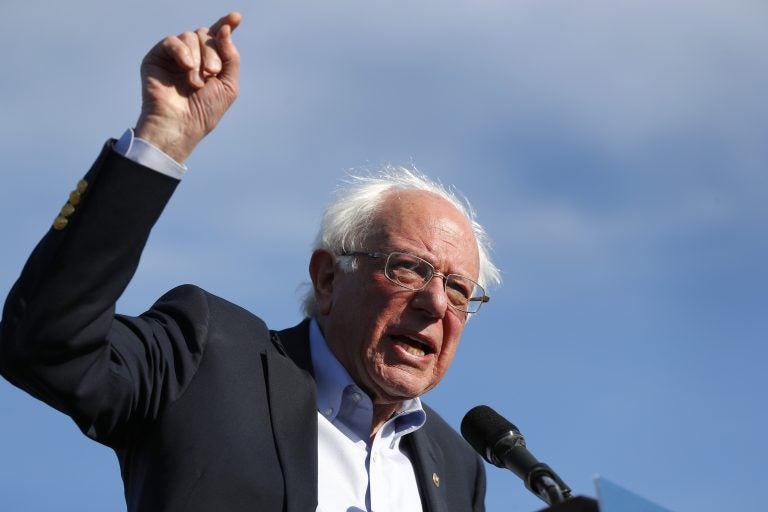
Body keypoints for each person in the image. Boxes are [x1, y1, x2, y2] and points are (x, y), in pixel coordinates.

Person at [0, 12, 500, 512]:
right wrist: (160, 142)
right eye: (408, 268)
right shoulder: (205, 358)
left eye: (459, 289)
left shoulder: (458, 468)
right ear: (327, 277)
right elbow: (46, 343)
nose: (436, 302)